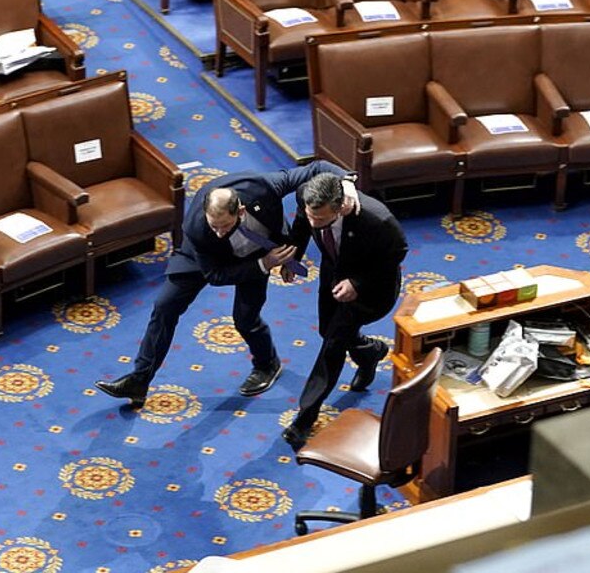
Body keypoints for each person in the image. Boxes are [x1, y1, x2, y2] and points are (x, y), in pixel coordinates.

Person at [95, 161, 347, 407]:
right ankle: (139, 380)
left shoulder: (262, 186)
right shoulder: (198, 228)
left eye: (224, 226)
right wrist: (262, 265)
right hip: (204, 258)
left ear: (240, 211)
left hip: (258, 251)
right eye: (213, 225)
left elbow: (316, 168)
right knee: (164, 306)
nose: (218, 231)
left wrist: (347, 183)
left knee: (245, 319)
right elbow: (215, 275)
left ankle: (267, 364)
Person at [281, 171, 408, 450]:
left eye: (322, 220)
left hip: (372, 289)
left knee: (333, 344)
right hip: (333, 276)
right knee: (328, 329)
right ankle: (370, 351)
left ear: (341, 207)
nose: (315, 222)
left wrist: (358, 284)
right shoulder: (309, 197)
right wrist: (293, 258)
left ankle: (304, 419)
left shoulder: (377, 219)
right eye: (311, 215)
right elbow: (302, 224)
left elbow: (396, 253)